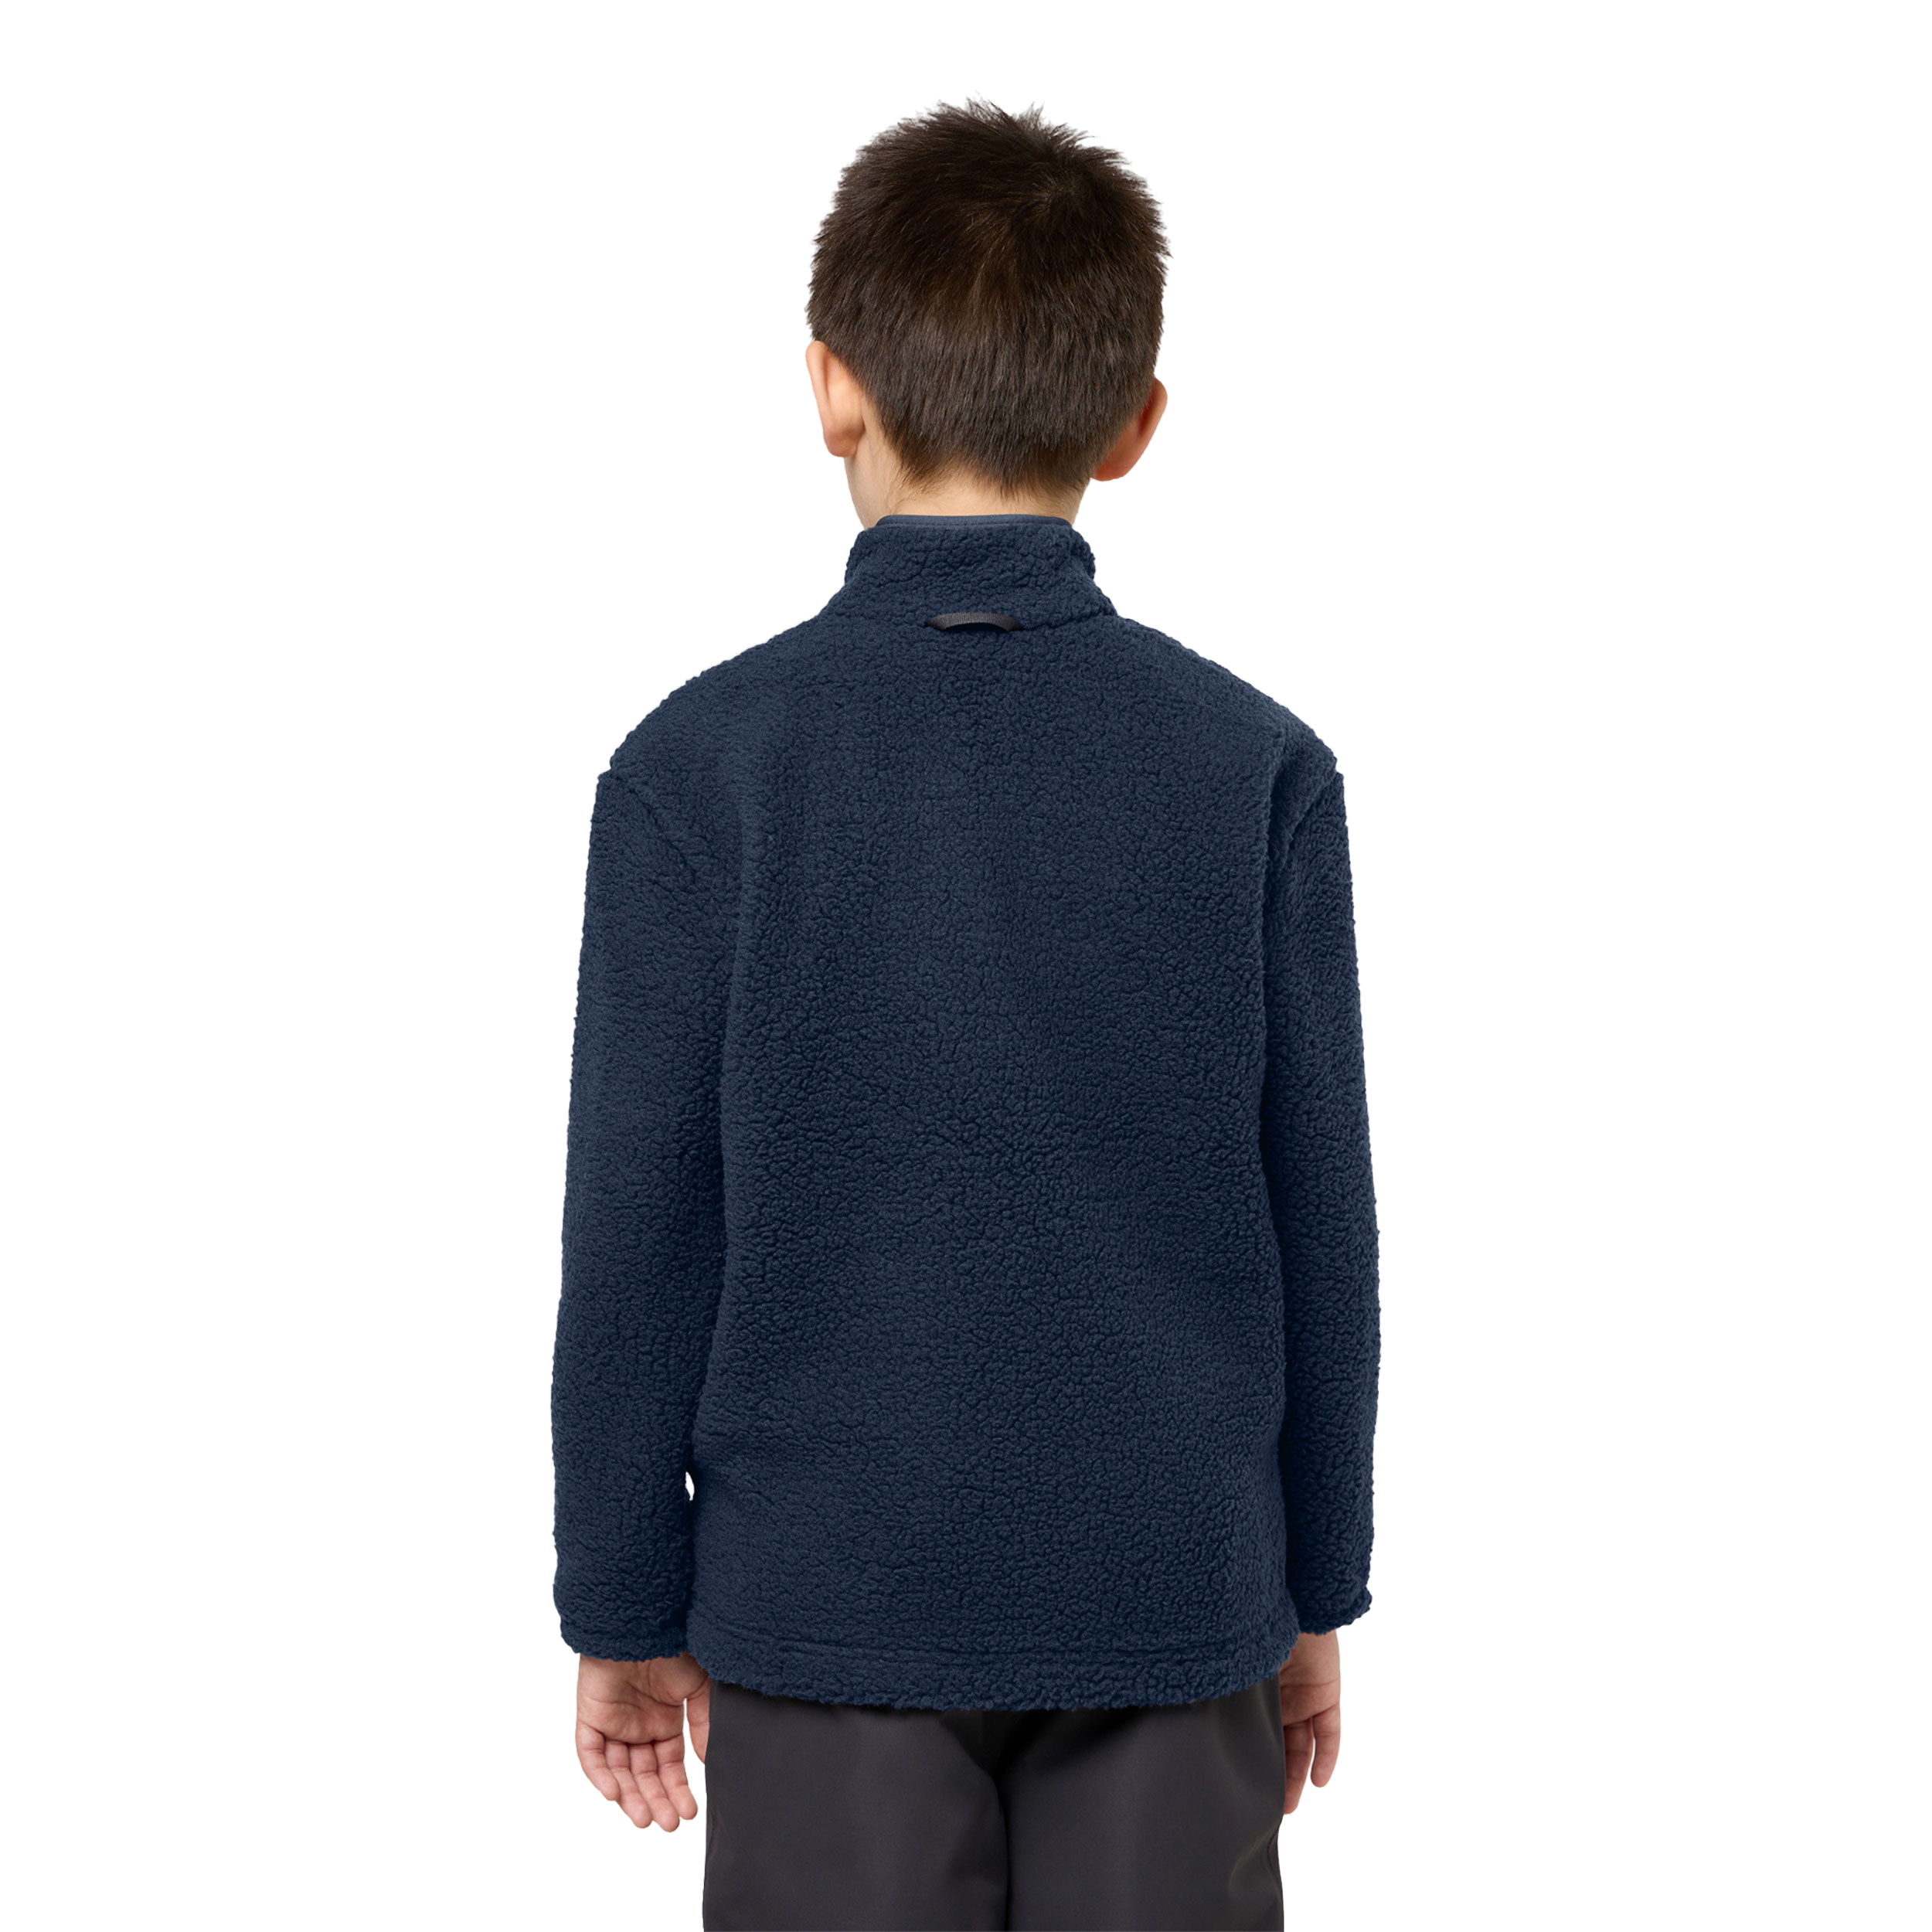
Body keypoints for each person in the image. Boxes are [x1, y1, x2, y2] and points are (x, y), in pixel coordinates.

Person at [549, 87, 1383, 1931]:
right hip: (1176, 1593)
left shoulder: (692, 765)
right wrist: (1314, 1581)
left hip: (815, 1601)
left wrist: (617, 1605)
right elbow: (1323, 1222)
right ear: (1139, 419)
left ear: (825, 390)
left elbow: (635, 1234)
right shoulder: (1258, 765)